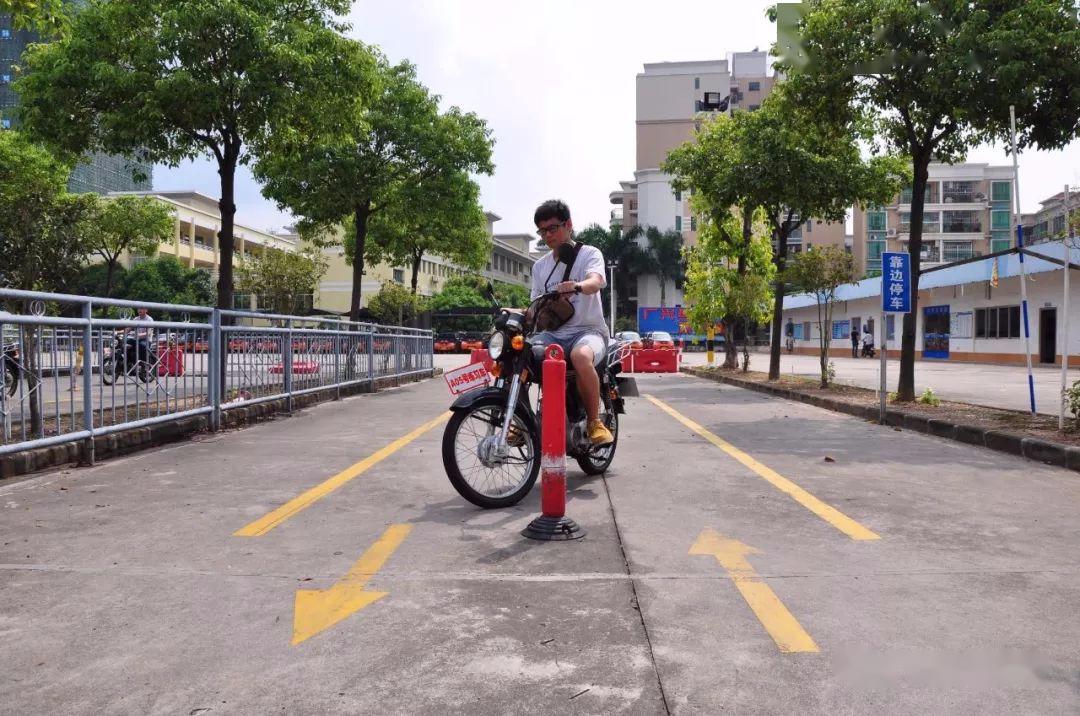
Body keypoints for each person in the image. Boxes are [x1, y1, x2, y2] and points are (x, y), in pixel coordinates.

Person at [530, 199, 614, 446]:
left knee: (580, 357)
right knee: (520, 353)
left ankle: (593, 421)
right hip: (554, 334)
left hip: (589, 332)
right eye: (542, 231)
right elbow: (534, 305)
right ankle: (520, 419)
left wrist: (578, 286)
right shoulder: (539, 266)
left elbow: (595, 281)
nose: (548, 235)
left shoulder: (589, 254)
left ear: (568, 225)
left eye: (553, 228)